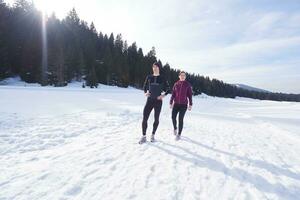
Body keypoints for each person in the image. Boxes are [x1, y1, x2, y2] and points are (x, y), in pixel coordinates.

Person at [139, 62, 170, 144]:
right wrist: (145, 92)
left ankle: (153, 135)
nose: (155, 68)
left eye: (156, 67)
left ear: (159, 68)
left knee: (156, 119)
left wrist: (163, 95)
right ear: (152, 68)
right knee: (145, 118)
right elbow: (144, 86)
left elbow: (168, 88)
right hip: (149, 100)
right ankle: (144, 136)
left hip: (158, 101)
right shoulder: (149, 77)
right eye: (153, 67)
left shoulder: (162, 78)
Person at [170, 71, 193, 140]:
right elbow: (173, 94)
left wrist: (190, 104)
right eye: (181, 75)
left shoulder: (187, 84)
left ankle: (179, 134)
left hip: (184, 105)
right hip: (176, 104)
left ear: (185, 77)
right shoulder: (176, 84)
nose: (183, 76)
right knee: (173, 117)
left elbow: (190, 95)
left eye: (184, 75)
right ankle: (175, 128)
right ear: (179, 76)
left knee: (180, 119)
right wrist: (171, 102)